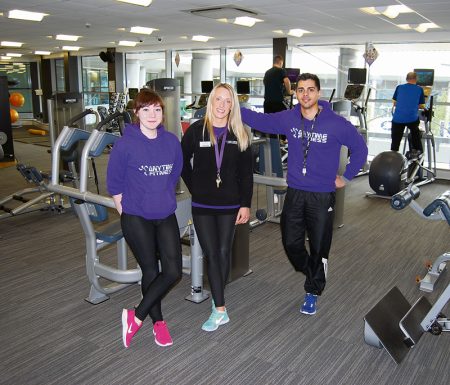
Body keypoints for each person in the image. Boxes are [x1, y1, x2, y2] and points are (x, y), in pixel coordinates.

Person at [241, 73, 368, 315]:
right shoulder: (289, 117)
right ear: (295, 93)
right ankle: (314, 270)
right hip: (296, 192)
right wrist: (233, 107)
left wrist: (347, 176)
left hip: (322, 195)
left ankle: (312, 291)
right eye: (300, 90)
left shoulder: (336, 123)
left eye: (310, 90)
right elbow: (262, 120)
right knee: (291, 243)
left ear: (318, 93)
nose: (305, 94)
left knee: (319, 246)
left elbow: (360, 148)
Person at [106, 88, 183, 348]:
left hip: (164, 214)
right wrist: (127, 212)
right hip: (136, 216)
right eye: (146, 109)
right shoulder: (125, 144)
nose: (152, 114)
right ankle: (158, 323)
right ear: (136, 113)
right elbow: (114, 184)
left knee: (172, 271)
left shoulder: (171, 142)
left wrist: (160, 198)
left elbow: (174, 175)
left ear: (163, 112)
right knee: (150, 270)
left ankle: (135, 316)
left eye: (157, 109)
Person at [181, 83, 253, 331]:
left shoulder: (240, 133)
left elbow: (246, 175)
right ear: (210, 102)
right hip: (202, 204)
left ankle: (217, 304)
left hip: (230, 204)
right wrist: (194, 187)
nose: (222, 105)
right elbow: (181, 162)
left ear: (233, 104)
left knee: (223, 253)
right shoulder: (196, 131)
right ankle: (220, 308)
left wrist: (245, 204)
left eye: (228, 100)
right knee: (211, 254)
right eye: (218, 99)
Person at [390, 71, 426, 155]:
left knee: (395, 141)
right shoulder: (419, 89)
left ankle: (393, 154)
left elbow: (395, 103)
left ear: (406, 79)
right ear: (416, 79)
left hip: (397, 119)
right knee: (415, 133)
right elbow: (421, 106)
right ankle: (418, 151)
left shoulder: (399, 87)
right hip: (412, 119)